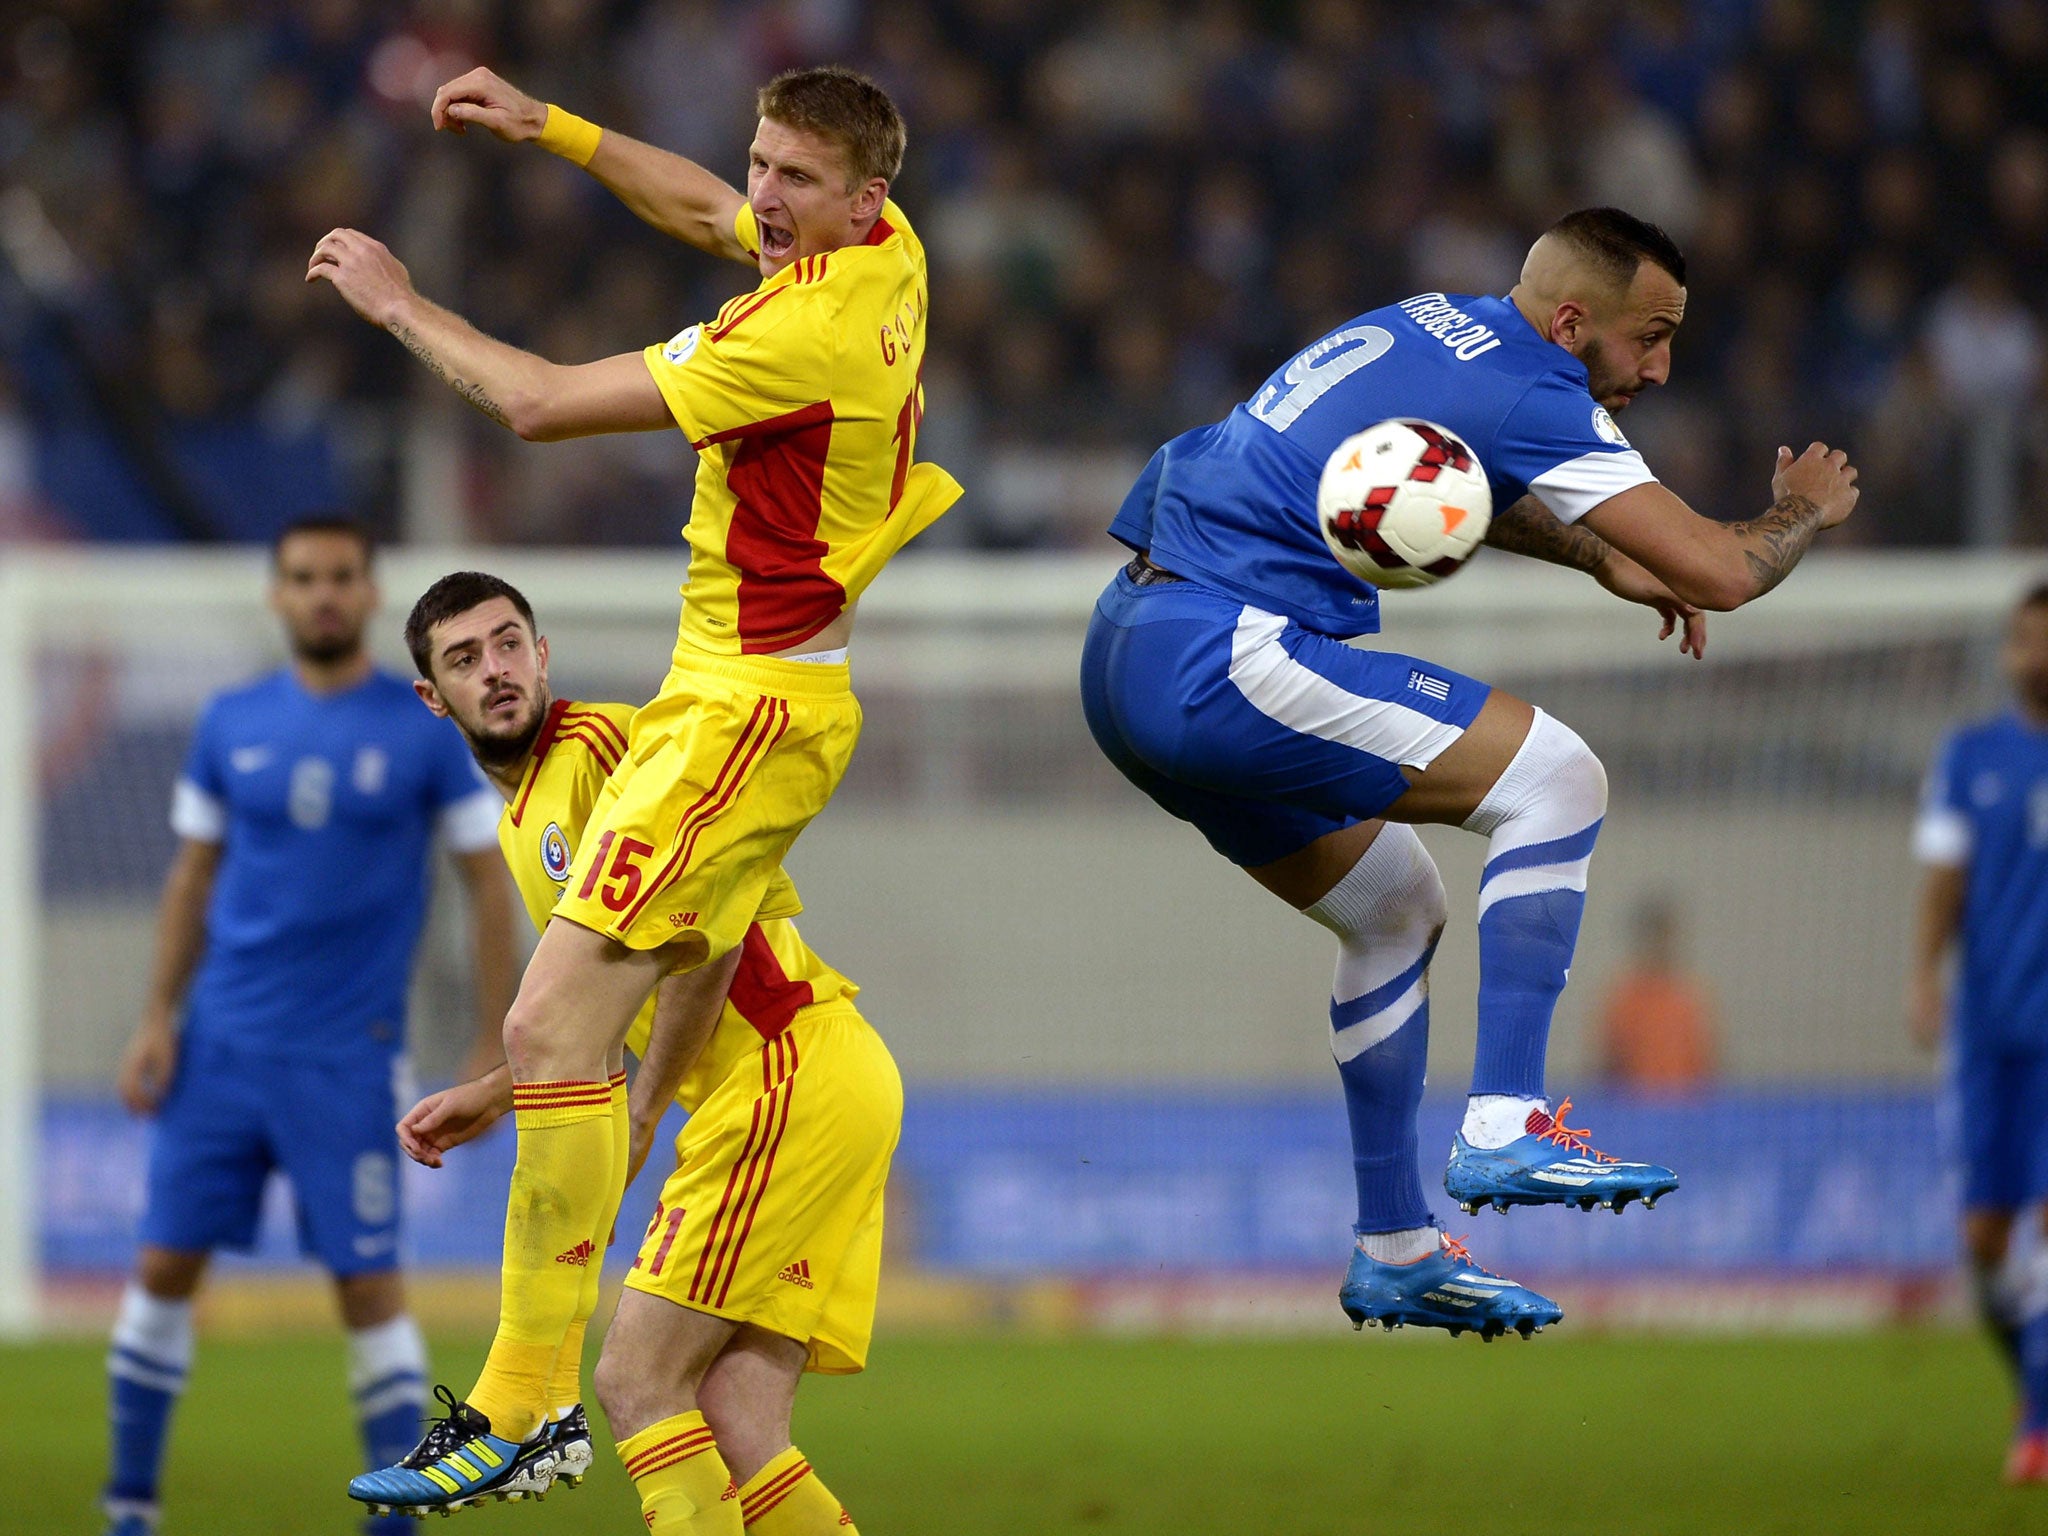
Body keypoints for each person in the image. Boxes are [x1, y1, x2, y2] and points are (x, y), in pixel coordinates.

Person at [309, 64, 955, 1523]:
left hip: (750, 702)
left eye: (793, 180)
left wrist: (400, 305)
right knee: (700, 1385)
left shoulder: (800, 327)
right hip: (740, 698)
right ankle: (529, 1399)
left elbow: (535, 404)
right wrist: (559, 130)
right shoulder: (880, 250)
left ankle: (522, 1402)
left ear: (862, 193)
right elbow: (702, 208)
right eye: (761, 166)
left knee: (546, 1026)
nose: (763, 200)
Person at [1080, 207, 1860, 1339]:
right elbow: (1724, 571)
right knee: (1557, 778)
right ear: (1571, 320)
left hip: (1128, 648)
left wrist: (1600, 558)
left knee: (1396, 908)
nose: (1659, 366)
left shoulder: (1431, 327)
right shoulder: (1537, 386)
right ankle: (1503, 1120)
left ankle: (1393, 1246)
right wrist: (1806, 508)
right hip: (1225, 649)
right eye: (1649, 337)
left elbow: (1441, 488)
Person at [357, 570, 896, 1535]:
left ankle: (521, 1406)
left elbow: (711, 932)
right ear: (433, 698)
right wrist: (499, 1090)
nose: (497, 670)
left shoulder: (607, 748)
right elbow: (601, 1011)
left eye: (510, 641)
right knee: (734, 1418)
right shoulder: (521, 822)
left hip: (785, 1070)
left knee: (635, 1379)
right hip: (811, 1081)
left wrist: (645, 1108)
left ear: (544, 653)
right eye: (466, 659)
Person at [103, 518, 517, 1536]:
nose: (322, 594)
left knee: (367, 1287)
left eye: (341, 577)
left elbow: (485, 884)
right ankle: (129, 1509)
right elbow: (192, 876)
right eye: (303, 579)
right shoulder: (228, 720)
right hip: (220, 1048)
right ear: (277, 595)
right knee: (162, 1268)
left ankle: (396, 1522)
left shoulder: (422, 726)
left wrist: (494, 1042)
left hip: (347, 1057)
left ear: (370, 593)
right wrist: (157, 1016)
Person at [1910, 580, 2048, 1485]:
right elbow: (1945, 881)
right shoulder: (1969, 757)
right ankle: (2032, 1385)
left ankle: (2039, 1419)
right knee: (1986, 1238)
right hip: (1989, 1031)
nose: (2030, 653)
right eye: (2021, 638)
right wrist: (1925, 977)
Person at [1596, 894, 1718, 1092]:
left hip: (1684, 1112)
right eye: (1653, 937)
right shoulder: (1624, 1000)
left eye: (1663, 937)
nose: (1657, 945)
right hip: (1634, 1112)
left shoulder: (1687, 999)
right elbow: (1609, 1067)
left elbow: (1705, 1067)